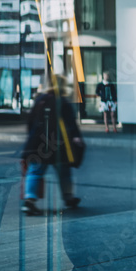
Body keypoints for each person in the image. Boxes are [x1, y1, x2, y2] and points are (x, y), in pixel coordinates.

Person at [21, 75, 83, 215]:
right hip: (57, 144)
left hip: (38, 142)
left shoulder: (40, 100)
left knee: (35, 170)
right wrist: (76, 137)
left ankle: (29, 200)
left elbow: (30, 121)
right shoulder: (63, 102)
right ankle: (68, 197)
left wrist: (31, 138)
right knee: (64, 171)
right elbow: (70, 123)